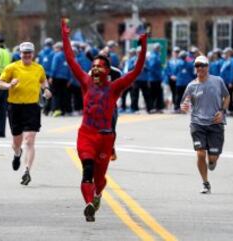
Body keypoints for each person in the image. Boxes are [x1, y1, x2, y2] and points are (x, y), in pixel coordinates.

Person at [61, 19, 147, 221]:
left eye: (100, 66)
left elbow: (136, 71)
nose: (96, 69)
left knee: (99, 179)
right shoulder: (85, 81)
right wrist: (65, 35)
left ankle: (98, 194)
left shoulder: (115, 87)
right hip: (86, 134)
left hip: (105, 138)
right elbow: (71, 59)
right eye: (94, 66)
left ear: (108, 71)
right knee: (87, 170)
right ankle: (89, 204)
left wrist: (142, 47)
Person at [0, 42, 52, 185]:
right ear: (20, 53)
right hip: (15, 108)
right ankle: (17, 154)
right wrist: (9, 85)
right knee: (17, 142)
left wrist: (46, 89)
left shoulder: (38, 68)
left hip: (32, 107)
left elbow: (43, 80)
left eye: (29, 53)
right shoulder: (12, 67)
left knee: (30, 140)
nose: (26, 55)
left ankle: (27, 171)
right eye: (24, 53)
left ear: (33, 54)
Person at [181, 55, 230, 194]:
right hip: (197, 123)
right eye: (197, 65)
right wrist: (183, 106)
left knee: (212, 159)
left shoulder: (218, 81)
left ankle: (213, 160)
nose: (200, 68)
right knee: (200, 154)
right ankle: (205, 182)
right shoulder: (191, 86)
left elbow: (227, 96)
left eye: (202, 65)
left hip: (215, 123)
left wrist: (222, 111)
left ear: (208, 67)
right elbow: (184, 102)